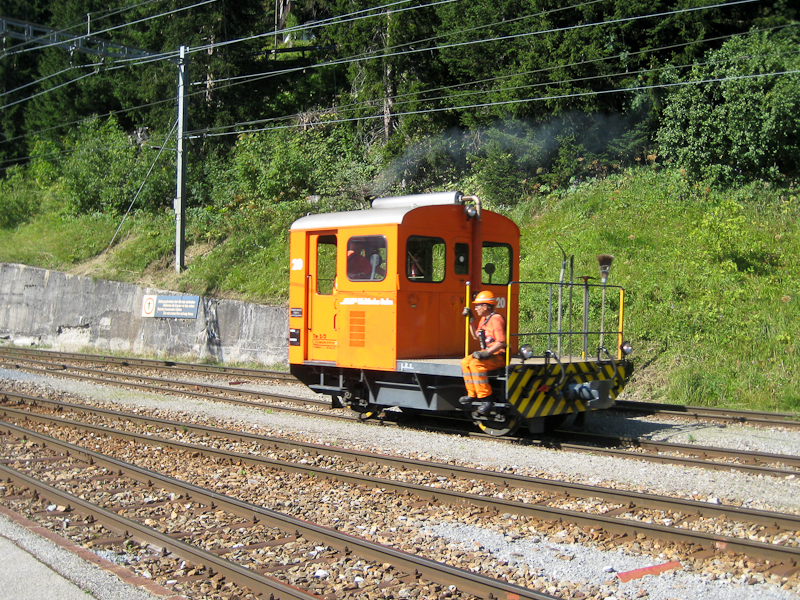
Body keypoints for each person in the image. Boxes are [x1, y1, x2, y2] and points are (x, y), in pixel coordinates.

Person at [460, 290, 506, 416]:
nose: (476, 308)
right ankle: (471, 394)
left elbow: (501, 342)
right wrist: (471, 320)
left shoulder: (496, 319)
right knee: (465, 362)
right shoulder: (484, 319)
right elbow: (476, 336)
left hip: (498, 355)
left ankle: (486, 398)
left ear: (485, 306)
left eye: (477, 306)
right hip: (488, 353)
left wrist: (486, 353)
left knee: (476, 364)